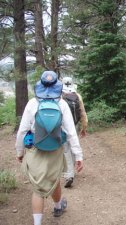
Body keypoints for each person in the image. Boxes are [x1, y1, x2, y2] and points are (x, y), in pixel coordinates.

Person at [15, 71, 83, 225]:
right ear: (57, 86)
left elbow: (22, 132)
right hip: (55, 149)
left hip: (35, 149)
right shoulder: (61, 103)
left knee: (38, 188)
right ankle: (58, 206)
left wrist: (19, 151)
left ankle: (41, 219)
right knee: (53, 178)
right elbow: (71, 133)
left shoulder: (32, 103)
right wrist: (78, 156)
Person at [62, 76, 88, 188]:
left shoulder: (60, 96)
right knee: (73, 146)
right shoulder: (78, 96)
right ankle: (71, 170)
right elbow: (82, 113)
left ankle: (69, 175)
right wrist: (84, 127)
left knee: (66, 149)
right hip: (75, 125)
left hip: (62, 127)